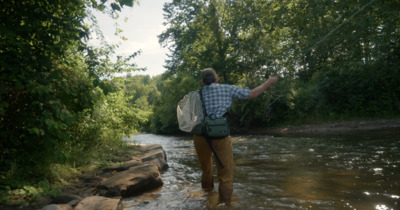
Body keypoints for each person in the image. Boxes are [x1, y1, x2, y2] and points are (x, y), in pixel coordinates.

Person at [193, 67, 279, 205]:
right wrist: (269, 82)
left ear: (202, 83)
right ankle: (225, 205)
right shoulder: (227, 88)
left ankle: (207, 200)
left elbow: (194, 117)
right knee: (226, 175)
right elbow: (252, 94)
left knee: (206, 170)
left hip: (200, 136)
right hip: (220, 135)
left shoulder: (196, 95)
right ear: (217, 79)